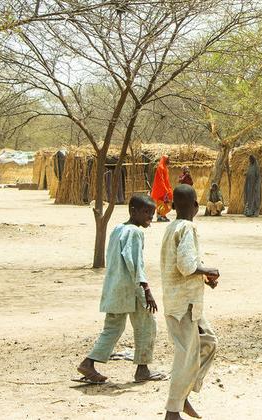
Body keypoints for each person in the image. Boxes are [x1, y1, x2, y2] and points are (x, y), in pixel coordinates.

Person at [76, 194, 165, 384]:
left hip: (115, 287)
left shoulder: (117, 229)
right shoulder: (135, 232)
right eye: (146, 212)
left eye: (152, 213)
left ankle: (88, 363)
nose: (150, 217)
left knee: (112, 328)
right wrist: (147, 290)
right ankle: (142, 369)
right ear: (133, 211)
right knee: (147, 325)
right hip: (133, 288)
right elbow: (135, 263)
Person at [161, 185, 220, 420]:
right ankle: (172, 410)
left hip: (185, 302)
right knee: (186, 355)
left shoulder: (171, 228)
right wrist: (208, 270)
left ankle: (183, 395)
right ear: (196, 205)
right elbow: (187, 266)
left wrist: (204, 277)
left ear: (173, 206)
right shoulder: (188, 228)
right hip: (183, 306)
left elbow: (183, 264)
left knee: (209, 342)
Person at [151, 155, 173, 222]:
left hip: (166, 187)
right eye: (168, 159)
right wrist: (164, 188)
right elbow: (161, 179)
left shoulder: (165, 168)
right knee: (161, 202)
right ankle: (160, 216)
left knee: (167, 202)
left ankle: (163, 215)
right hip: (161, 188)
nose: (169, 161)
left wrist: (168, 188)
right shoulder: (160, 167)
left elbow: (166, 179)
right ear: (165, 160)